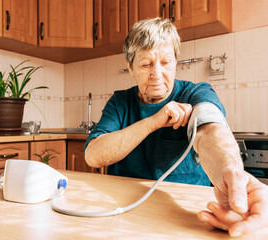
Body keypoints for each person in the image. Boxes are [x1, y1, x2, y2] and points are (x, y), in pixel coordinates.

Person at [84, 17, 268, 237]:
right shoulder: (119, 102)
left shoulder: (195, 92)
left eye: (166, 62)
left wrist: (231, 171)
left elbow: (210, 128)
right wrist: (153, 122)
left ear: (176, 62)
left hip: (187, 213)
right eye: (145, 64)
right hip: (124, 209)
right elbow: (93, 156)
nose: (157, 74)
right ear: (130, 67)